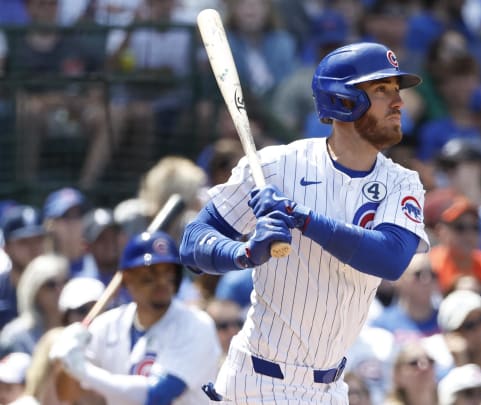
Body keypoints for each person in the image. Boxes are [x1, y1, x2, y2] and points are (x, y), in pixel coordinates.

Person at [178, 42, 429, 403]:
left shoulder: (402, 182)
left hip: (332, 386)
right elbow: (192, 242)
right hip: (259, 380)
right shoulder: (278, 166)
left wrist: (302, 218)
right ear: (343, 100)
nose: (398, 102)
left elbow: (390, 259)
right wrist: (245, 253)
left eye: (395, 90)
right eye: (381, 90)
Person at [48, 231, 222, 405]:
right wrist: (66, 362)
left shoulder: (196, 325)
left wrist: (83, 370)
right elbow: (68, 396)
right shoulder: (107, 325)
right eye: (150, 273)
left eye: (168, 272)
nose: (161, 281)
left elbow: (156, 396)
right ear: (127, 278)